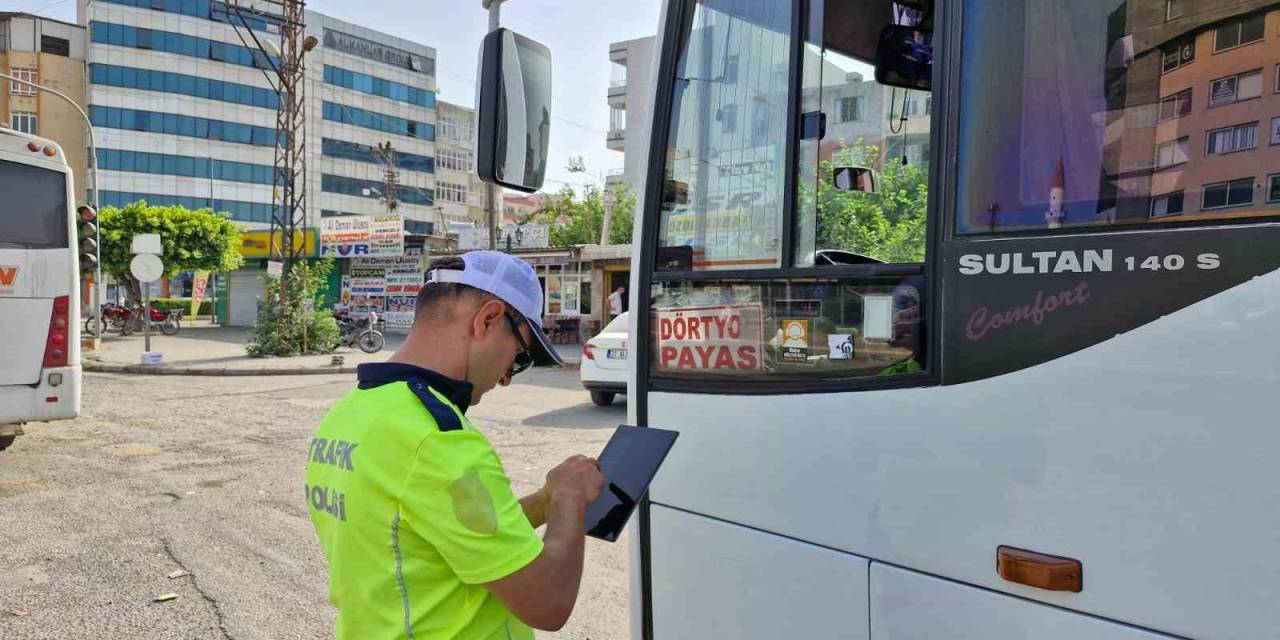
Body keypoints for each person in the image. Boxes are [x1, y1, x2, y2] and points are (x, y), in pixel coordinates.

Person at [306, 251, 605, 639]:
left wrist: (545, 501)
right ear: (488, 320)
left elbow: (442, 529)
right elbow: (547, 604)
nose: (507, 378)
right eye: (519, 356)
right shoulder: (438, 439)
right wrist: (569, 498)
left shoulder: (352, 412)